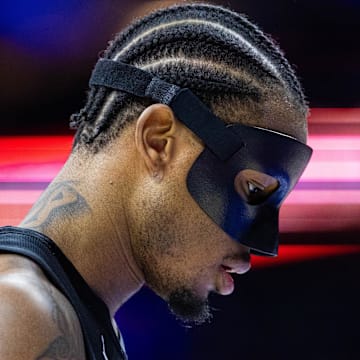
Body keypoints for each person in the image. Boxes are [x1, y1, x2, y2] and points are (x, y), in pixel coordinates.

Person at [0, 2, 312, 359]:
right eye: (252, 191)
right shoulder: (22, 313)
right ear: (157, 141)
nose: (253, 253)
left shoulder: (76, 319)